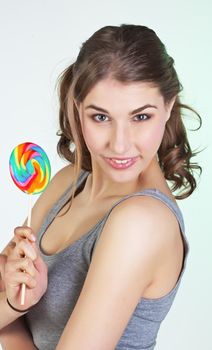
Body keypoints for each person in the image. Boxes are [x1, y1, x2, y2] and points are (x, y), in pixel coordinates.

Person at [0, 24, 202, 350]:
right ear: (78, 108)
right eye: (101, 118)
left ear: (168, 107)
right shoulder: (68, 182)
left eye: (140, 117)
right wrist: (13, 305)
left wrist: (9, 322)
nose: (120, 145)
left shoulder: (142, 221)